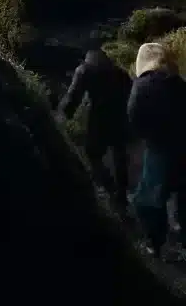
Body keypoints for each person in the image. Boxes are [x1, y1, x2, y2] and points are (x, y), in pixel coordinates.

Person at [128, 42, 186, 257]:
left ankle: (155, 244)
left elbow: (133, 115)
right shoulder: (178, 82)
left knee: (148, 200)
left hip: (160, 148)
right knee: (183, 196)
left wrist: (146, 136)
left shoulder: (142, 85)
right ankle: (182, 238)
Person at [58, 46, 131, 211]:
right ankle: (122, 194)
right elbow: (131, 94)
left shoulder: (84, 69)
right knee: (119, 154)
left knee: (92, 154)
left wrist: (62, 116)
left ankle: (108, 187)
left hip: (99, 117)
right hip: (120, 115)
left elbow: (73, 96)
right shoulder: (119, 72)